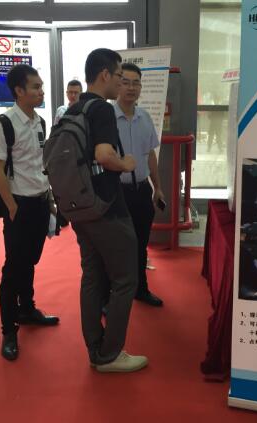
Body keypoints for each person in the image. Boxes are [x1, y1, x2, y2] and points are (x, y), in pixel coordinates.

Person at [67, 48, 147, 373]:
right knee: (125, 278)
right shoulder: (101, 108)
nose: (120, 82)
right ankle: (110, 353)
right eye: (118, 76)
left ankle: (95, 350)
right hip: (106, 206)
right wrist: (126, 163)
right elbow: (103, 155)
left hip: (80, 206)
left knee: (92, 277)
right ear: (104, 75)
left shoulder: (74, 108)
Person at [0, 64, 59, 361]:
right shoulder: (2, 124)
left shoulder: (39, 121)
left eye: (41, 86)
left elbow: (41, 164)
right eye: (35, 87)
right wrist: (12, 206)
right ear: (19, 90)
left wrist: (50, 198)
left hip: (40, 201)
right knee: (13, 268)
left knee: (30, 260)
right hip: (19, 205)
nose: (41, 91)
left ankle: (27, 309)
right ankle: (9, 330)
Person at [114, 62, 164, 307]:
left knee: (141, 243)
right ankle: (111, 295)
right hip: (116, 191)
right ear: (117, 84)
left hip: (142, 190)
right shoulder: (106, 118)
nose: (131, 88)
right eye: (125, 82)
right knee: (115, 247)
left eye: (136, 83)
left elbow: (150, 154)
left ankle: (140, 289)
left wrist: (158, 187)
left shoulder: (145, 117)